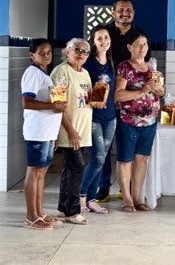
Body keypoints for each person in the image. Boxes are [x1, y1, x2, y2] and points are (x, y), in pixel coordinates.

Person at [96, 0, 149, 202]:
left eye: (128, 11)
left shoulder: (140, 35)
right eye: (121, 10)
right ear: (113, 13)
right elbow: (97, 65)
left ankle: (125, 187)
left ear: (133, 13)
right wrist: (101, 97)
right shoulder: (104, 34)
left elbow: (145, 66)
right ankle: (103, 186)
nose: (125, 14)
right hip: (107, 96)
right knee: (104, 144)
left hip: (131, 100)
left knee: (127, 145)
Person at [115, 32, 164, 213]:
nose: (142, 47)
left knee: (142, 159)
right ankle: (126, 198)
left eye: (144, 44)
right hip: (128, 121)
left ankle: (137, 197)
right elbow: (118, 95)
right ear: (129, 47)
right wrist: (142, 90)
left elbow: (161, 92)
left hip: (150, 121)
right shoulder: (125, 67)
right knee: (125, 159)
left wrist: (159, 89)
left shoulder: (151, 67)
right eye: (137, 44)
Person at [21, 38, 66, 230]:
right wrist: (53, 106)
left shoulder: (44, 74)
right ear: (32, 55)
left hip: (47, 132)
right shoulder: (32, 73)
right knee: (34, 171)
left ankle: (39, 213)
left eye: (49, 52)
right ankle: (31, 216)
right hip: (37, 131)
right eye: (42, 52)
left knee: (42, 173)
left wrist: (54, 134)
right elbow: (27, 102)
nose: (47, 55)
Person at [51, 38, 93, 225]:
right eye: (77, 50)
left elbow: (87, 99)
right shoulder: (60, 72)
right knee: (77, 167)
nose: (82, 54)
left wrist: (101, 95)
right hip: (69, 130)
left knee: (70, 169)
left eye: (85, 52)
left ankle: (63, 209)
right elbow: (57, 105)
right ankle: (73, 211)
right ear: (67, 51)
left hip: (82, 130)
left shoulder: (85, 73)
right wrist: (71, 131)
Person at [79, 25, 116, 214]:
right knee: (98, 158)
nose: (104, 42)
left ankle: (92, 200)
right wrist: (93, 97)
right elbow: (81, 89)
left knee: (101, 159)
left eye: (106, 38)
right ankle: (82, 196)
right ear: (93, 41)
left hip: (110, 117)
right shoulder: (88, 63)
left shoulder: (110, 61)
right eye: (99, 38)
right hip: (93, 117)